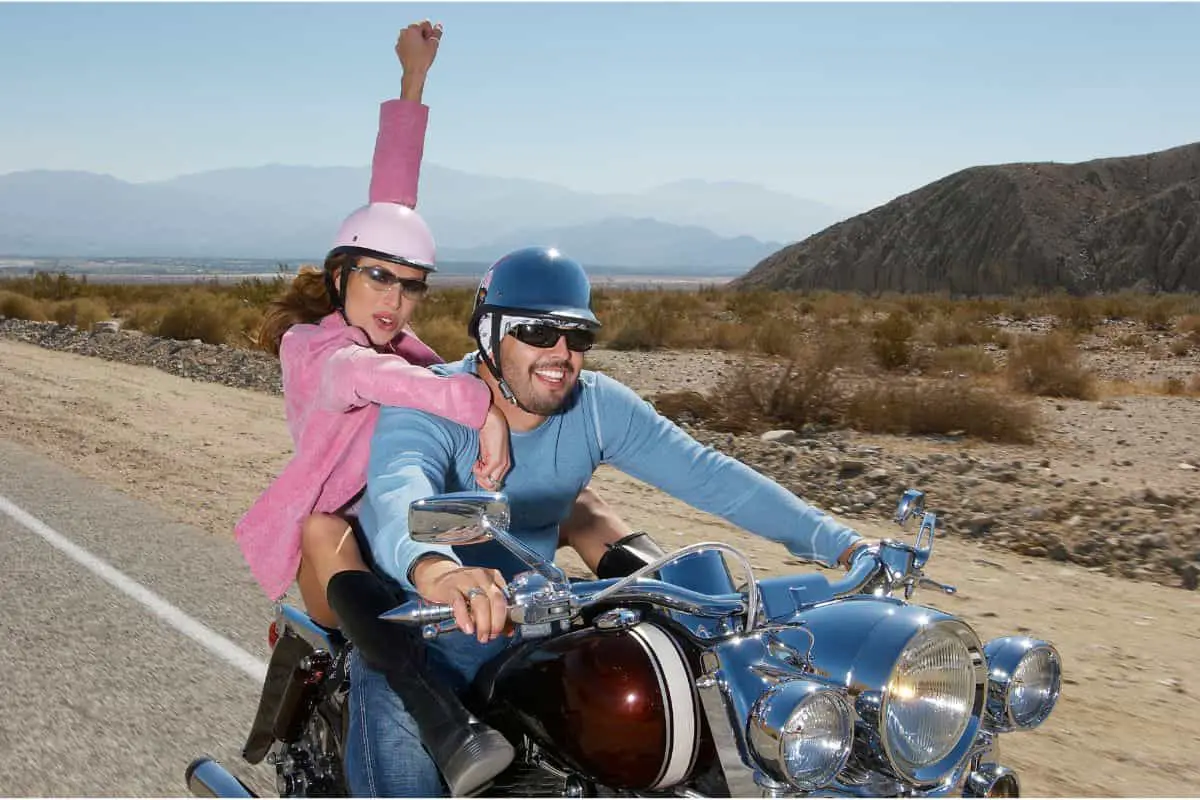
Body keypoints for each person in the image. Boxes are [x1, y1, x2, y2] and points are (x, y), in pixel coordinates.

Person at [234, 22, 635, 797]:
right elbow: (374, 380)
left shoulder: (403, 339)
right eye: (378, 277)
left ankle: (670, 605)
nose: (395, 298)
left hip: (420, 518)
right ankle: (441, 724)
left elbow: (393, 198)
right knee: (321, 527)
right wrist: (478, 402)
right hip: (349, 555)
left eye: (411, 283)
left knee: (574, 504)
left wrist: (413, 79)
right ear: (341, 274)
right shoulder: (317, 350)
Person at [346, 245, 873, 796]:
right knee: (399, 730)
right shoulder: (429, 403)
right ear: (487, 331)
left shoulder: (595, 406)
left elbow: (711, 475)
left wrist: (841, 543)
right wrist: (438, 570)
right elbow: (395, 491)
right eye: (536, 332)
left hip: (535, 608)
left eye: (578, 337)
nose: (561, 353)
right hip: (429, 621)